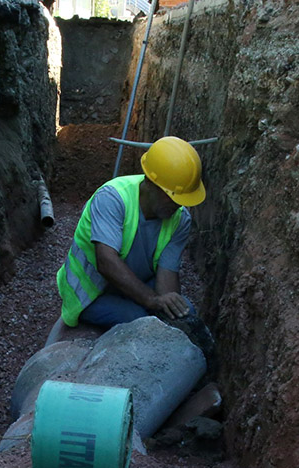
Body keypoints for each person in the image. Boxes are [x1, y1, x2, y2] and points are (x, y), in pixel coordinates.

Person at [56, 136, 206, 330]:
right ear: (150, 183)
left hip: (137, 284)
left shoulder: (180, 218)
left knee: (185, 314)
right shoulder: (112, 198)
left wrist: (170, 309)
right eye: (172, 197)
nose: (178, 205)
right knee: (138, 320)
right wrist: (152, 300)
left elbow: (167, 274)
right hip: (92, 291)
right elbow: (106, 262)